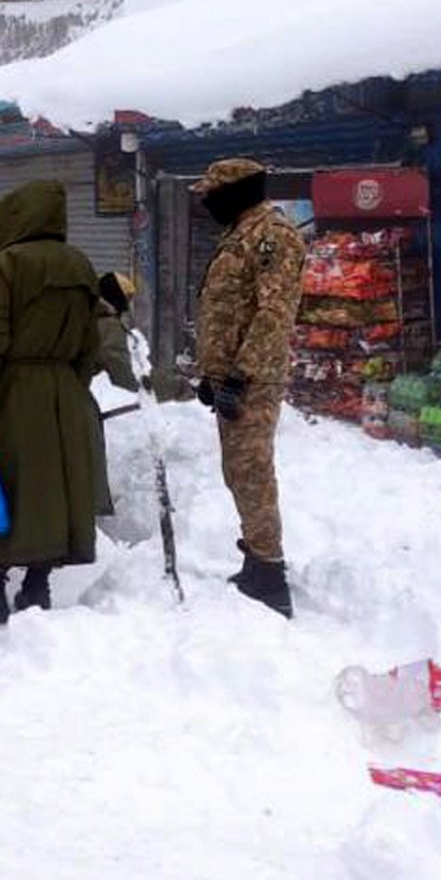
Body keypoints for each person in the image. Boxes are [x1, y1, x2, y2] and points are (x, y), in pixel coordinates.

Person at [0, 181, 106, 625]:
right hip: (66, 391)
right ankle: (36, 588)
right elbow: (92, 343)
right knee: (50, 489)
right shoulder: (82, 266)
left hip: (11, 389)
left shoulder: (5, 266)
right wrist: (69, 387)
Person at [192, 158, 306, 618]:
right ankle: (256, 558)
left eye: (212, 194)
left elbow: (274, 315)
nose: (207, 203)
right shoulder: (240, 235)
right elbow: (228, 312)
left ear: (237, 192)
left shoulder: (272, 237)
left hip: (252, 380)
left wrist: (240, 375)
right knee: (238, 470)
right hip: (234, 377)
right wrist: (213, 375)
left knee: (253, 470)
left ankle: (270, 575)